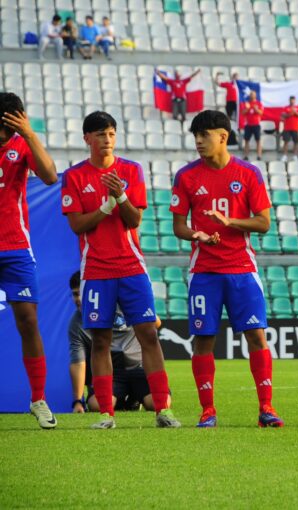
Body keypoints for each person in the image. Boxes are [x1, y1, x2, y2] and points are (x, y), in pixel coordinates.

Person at [61, 111, 180, 429]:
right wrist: (104, 209)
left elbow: (134, 220)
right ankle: (106, 415)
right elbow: (77, 225)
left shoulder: (131, 170)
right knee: (100, 340)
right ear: (87, 138)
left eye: (111, 133)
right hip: (96, 270)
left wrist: (121, 196)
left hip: (131, 267)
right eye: (101, 134)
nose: (107, 139)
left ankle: (163, 410)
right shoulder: (74, 176)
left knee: (148, 335)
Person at [170, 110, 282, 429]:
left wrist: (230, 221)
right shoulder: (186, 176)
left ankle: (266, 408)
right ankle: (208, 410)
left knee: (256, 336)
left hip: (242, 269)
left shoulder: (248, 173)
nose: (198, 141)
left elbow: (264, 222)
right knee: (203, 340)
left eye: (204, 135)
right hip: (204, 271)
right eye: (195, 136)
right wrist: (198, 235)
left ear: (223, 136)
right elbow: (178, 226)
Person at [0, 92, 58, 429]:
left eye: (14, 122)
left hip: (16, 248)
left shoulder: (22, 145)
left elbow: (50, 176)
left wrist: (30, 134)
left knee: (28, 321)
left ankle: (38, 399)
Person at [67, 272, 166, 413]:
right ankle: (124, 401)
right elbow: (78, 362)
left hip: (139, 368)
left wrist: (135, 310)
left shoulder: (122, 302)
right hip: (112, 373)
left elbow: (156, 323)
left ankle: (134, 398)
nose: (78, 299)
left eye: (81, 293)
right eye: (75, 294)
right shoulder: (76, 324)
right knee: (96, 405)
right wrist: (77, 401)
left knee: (157, 404)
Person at [240, 91, 263, 161]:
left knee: (258, 140)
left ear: (255, 95)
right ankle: (246, 155)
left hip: (256, 124)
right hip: (248, 125)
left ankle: (259, 155)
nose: (251, 95)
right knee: (246, 140)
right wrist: (247, 108)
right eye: (250, 94)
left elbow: (261, 113)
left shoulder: (259, 103)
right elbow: (242, 113)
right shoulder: (247, 103)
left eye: (253, 94)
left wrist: (256, 109)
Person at [280, 96, 298, 162]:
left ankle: (295, 156)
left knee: (296, 142)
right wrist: (290, 114)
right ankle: (285, 156)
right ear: (289, 100)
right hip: (287, 128)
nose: (292, 101)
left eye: (293, 100)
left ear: (295, 101)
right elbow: (283, 116)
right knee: (286, 142)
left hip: (295, 127)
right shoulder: (285, 107)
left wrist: (294, 112)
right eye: (291, 100)